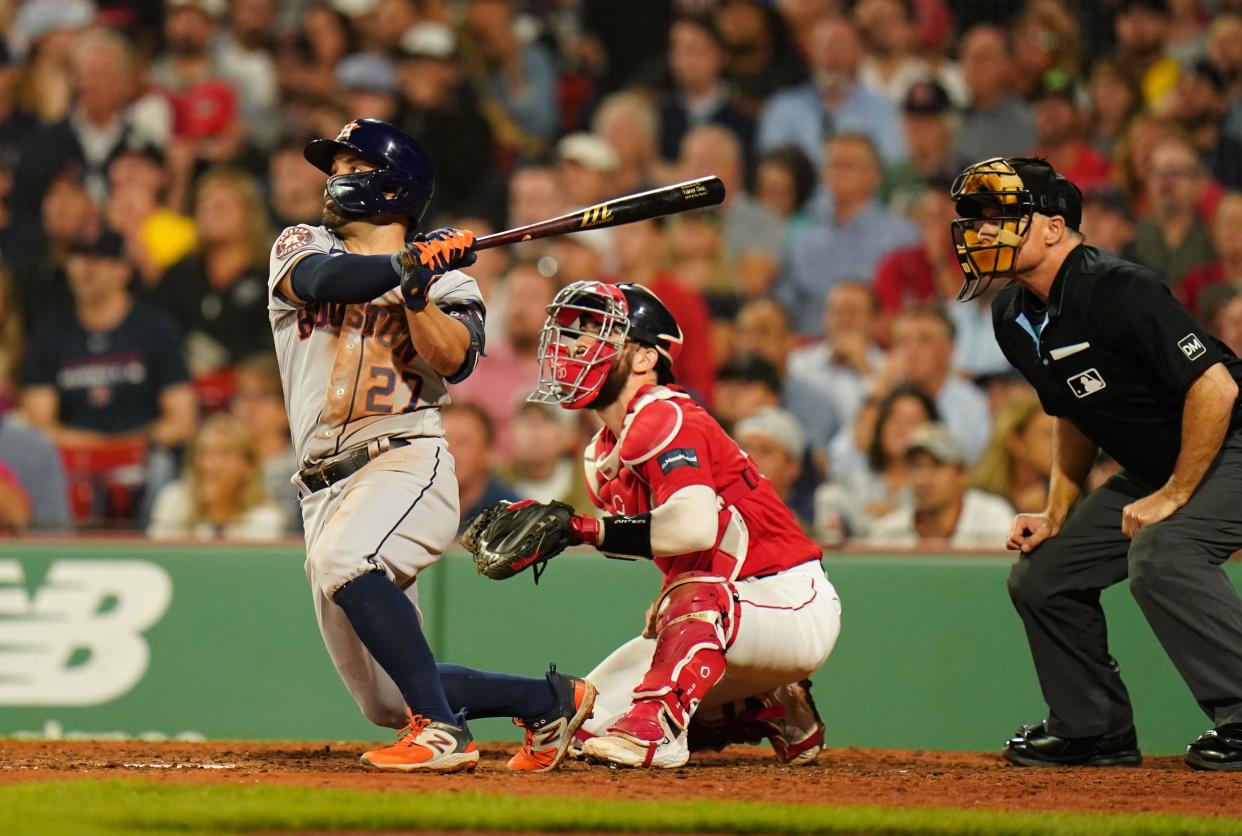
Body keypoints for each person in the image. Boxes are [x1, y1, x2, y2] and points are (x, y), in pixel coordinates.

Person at [268, 118, 596, 773]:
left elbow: (454, 361)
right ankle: (550, 700)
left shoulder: (451, 284)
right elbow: (325, 283)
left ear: (391, 184)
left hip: (403, 458)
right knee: (389, 700)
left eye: (350, 167)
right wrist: (403, 267)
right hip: (320, 487)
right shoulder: (299, 242)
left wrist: (418, 290)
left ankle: (445, 732)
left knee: (346, 562)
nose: (335, 180)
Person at [469, 280, 840, 768]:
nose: (576, 347)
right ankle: (772, 705)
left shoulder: (663, 413)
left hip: (790, 597)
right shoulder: (601, 453)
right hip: (734, 609)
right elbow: (675, 544)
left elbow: (693, 529)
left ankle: (657, 736)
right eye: (575, 335)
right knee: (589, 724)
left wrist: (583, 530)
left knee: (690, 607)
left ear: (644, 359)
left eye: (597, 334)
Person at [952, 155, 1242, 770]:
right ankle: (1093, 728)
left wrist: (1175, 493)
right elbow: (1072, 409)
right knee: (1044, 575)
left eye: (1000, 216)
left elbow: (1215, 388)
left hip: (1230, 442)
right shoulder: (1013, 314)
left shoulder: (1117, 286)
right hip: (1163, 462)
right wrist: (1058, 511)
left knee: (1163, 554)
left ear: (1054, 227)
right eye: (975, 219)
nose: (980, 232)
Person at [865, 423, 1014, 549]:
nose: (923, 479)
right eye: (916, 466)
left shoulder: (993, 518)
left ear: (963, 474)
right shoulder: (888, 533)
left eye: (937, 465)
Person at [147, 414, 288, 541]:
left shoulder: (266, 517)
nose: (209, 465)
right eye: (203, 453)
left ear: (248, 466)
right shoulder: (175, 500)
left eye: (223, 453)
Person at [971, 393, 1055, 515]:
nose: (1058, 444)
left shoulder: (1075, 492)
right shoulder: (977, 498)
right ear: (1015, 442)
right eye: (1048, 435)